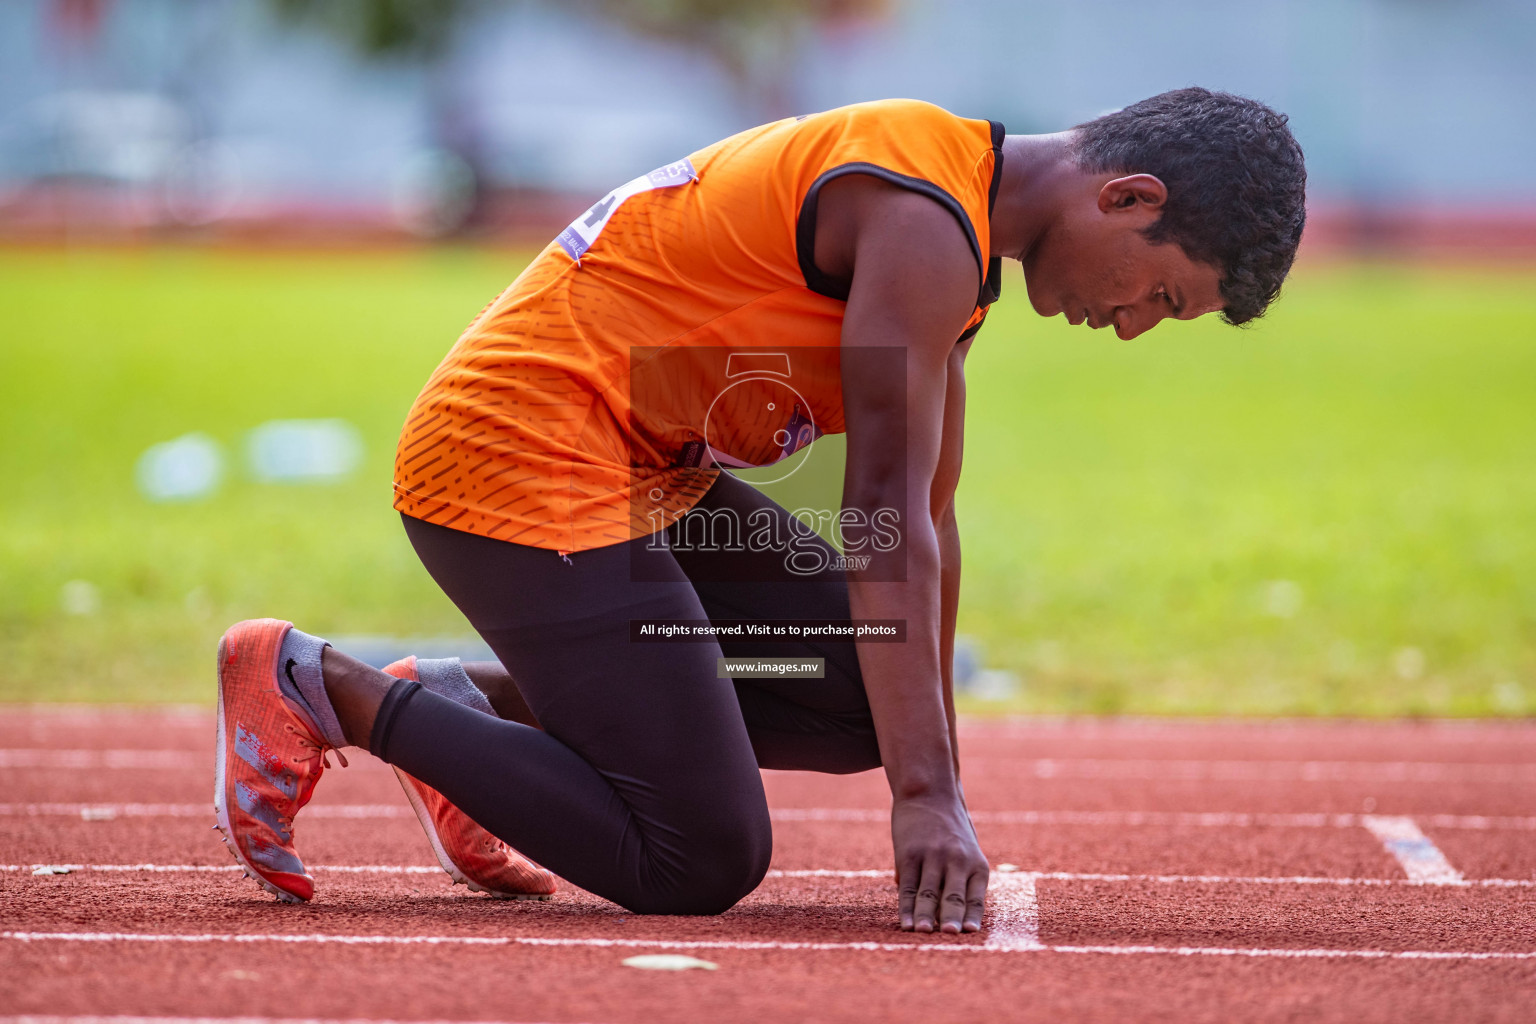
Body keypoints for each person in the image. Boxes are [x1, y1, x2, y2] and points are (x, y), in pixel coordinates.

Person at [213, 88, 1306, 934]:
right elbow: (879, 512)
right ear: (1128, 199)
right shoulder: (922, 219)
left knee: (878, 700)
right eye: (1162, 295)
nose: (1132, 327)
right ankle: (321, 681)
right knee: (699, 856)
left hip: (636, 466)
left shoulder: (955, 237)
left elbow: (931, 520)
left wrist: (938, 777)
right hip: (512, 456)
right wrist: (921, 797)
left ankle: (467, 717)